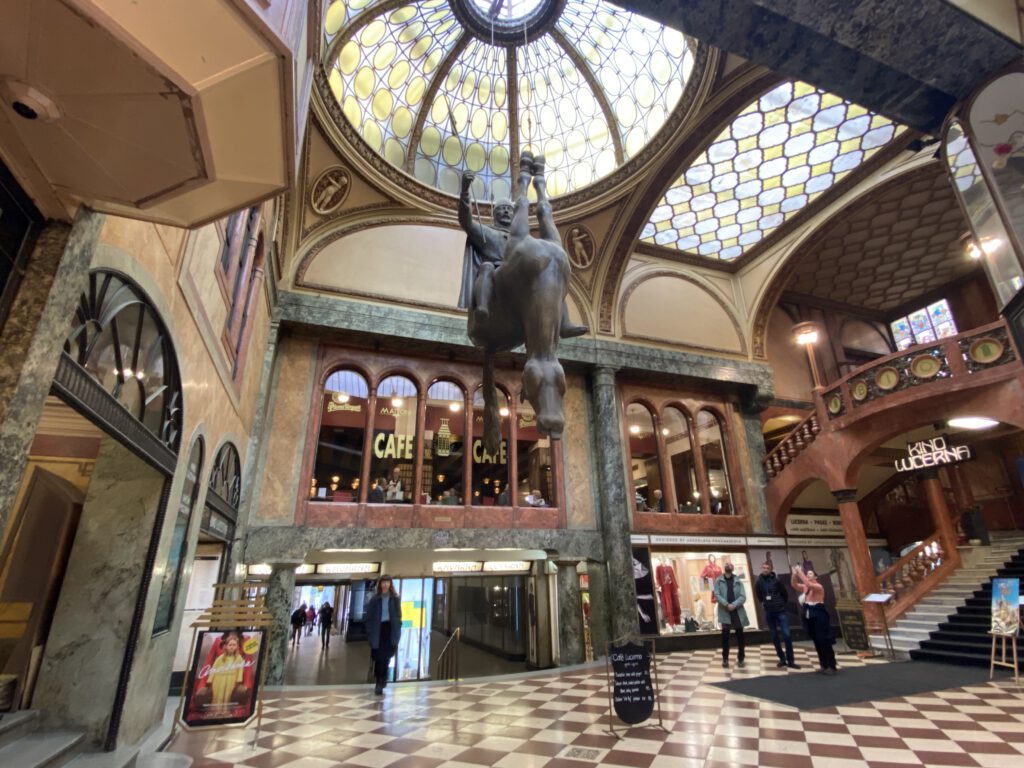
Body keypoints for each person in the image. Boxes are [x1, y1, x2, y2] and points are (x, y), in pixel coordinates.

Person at [458, 172, 587, 339]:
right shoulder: (486, 232)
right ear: (494, 214)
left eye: (508, 210)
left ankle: (565, 323)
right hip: (497, 273)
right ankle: (482, 307)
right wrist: (465, 191)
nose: (505, 212)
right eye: (501, 209)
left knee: (548, 276)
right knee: (486, 267)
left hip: (519, 273)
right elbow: (465, 220)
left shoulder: (523, 239)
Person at [791, 564, 837, 674]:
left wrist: (800, 571)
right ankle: (823, 665)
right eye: (807, 574)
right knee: (816, 640)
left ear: (816, 577)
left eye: (810, 574)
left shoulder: (818, 586)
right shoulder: (805, 587)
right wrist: (794, 574)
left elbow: (808, 583)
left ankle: (831, 665)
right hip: (809, 613)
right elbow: (794, 585)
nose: (808, 575)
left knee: (824, 639)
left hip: (819, 612)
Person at [756, 560, 799, 669]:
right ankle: (782, 659)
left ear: (771, 570)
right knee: (774, 636)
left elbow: (785, 594)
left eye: (767, 568)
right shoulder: (759, 582)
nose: (765, 570)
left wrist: (781, 604)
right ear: (762, 569)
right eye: (764, 568)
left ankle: (791, 660)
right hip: (769, 612)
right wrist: (766, 604)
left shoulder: (777, 581)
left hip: (781, 612)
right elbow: (759, 596)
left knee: (787, 635)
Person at [365, 575, 402, 695]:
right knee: (379, 657)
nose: (385, 585)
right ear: (380, 584)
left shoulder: (395, 599)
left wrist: (397, 626)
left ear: (390, 584)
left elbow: (398, 615)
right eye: (383, 582)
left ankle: (383, 678)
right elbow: (369, 617)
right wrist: (370, 632)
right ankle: (378, 681)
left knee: (386, 657)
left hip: (389, 629)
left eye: (388, 582)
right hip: (378, 629)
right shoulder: (375, 599)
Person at [714, 562, 748, 668]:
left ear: (732, 568)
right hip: (725, 612)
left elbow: (743, 596)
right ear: (724, 568)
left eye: (730, 565)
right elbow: (717, 594)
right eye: (726, 565)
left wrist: (734, 604)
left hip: (737, 612)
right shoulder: (719, 580)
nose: (728, 566)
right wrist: (726, 604)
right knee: (725, 637)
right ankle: (725, 659)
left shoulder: (738, 581)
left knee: (740, 637)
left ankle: (741, 658)